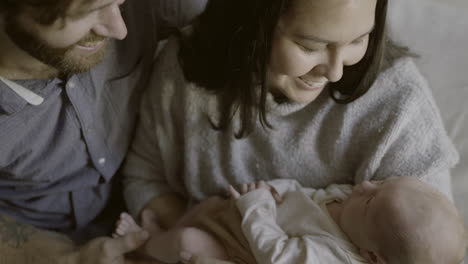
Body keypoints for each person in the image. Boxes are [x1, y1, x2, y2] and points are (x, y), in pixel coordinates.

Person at [122, 0, 460, 262]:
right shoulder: (186, 69)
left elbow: (423, 252)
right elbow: (145, 177)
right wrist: (202, 234)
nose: (336, 70)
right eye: (310, 46)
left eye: (359, 39)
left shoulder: (398, 104)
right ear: (251, 22)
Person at [0, 0, 210, 263]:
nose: (119, 29)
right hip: (39, 238)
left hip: (147, 192)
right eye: (88, 13)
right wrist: (62, 256)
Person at [115, 177, 468, 264]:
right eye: (382, 182)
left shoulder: (331, 255)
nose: (364, 185)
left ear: (371, 257)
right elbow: (306, 192)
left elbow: (276, 253)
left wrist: (257, 205)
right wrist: (274, 190)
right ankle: (163, 235)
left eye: (370, 199)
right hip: (242, 216)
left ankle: (141, 244)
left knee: (187, 243)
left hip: (238, 250)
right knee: (207, 207)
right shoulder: (353, 206)